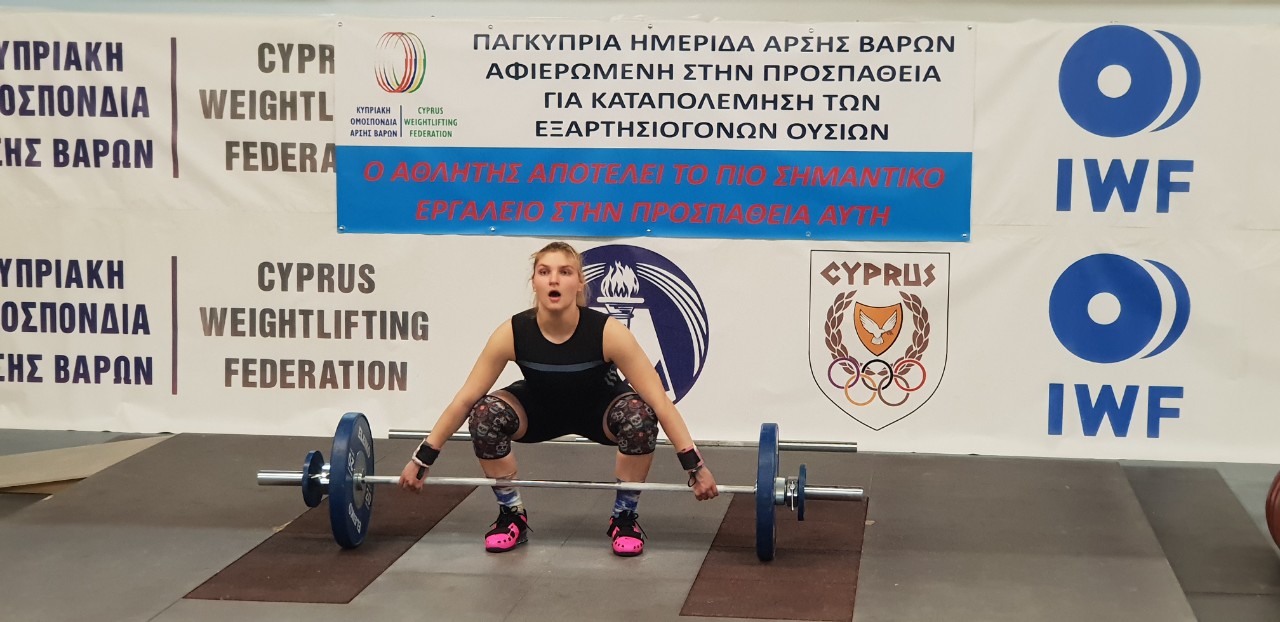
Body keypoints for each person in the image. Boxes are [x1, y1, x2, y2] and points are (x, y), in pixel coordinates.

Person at [398, 241, 718, 557]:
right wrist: (422, 459)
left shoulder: (608, 332)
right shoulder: (512, 332)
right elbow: (464, 400)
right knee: (485, 413)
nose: (554, 279)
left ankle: (624, 517)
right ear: (534, 282)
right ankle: (512, 514)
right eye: (544, 272)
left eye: (565, 272)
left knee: (639, 413)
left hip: (599, 412)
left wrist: (695, 467)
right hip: (540, 411)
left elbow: (660, 402)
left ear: (579, 283)